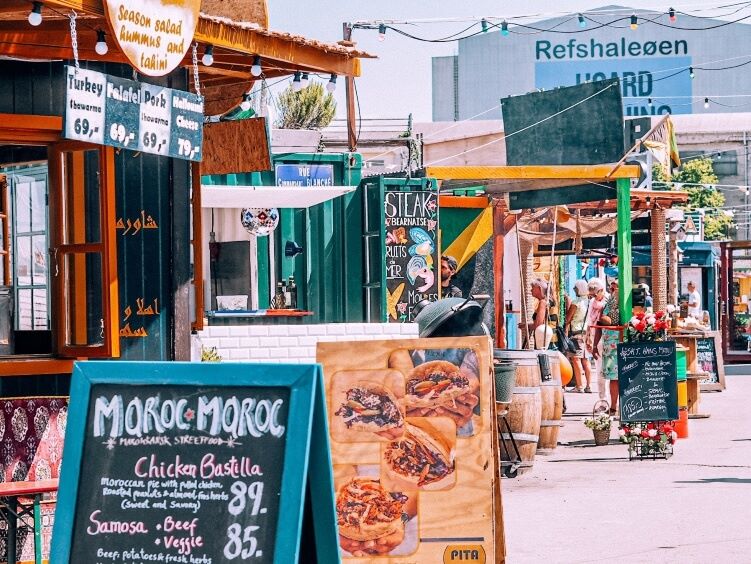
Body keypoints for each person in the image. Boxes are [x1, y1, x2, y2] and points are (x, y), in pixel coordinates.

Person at [592, 280, 621, 416]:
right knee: (613, 378)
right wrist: (594, 345)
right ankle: (614, 407)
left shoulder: (626, 304)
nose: (613, 291)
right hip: (609, 346)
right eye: (611, 289)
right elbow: (599, 324)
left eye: (615, 289)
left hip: (621, 344)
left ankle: (624, 407)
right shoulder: (607, 305)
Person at [565, 280, 592, 393]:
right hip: (587, 333)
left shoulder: (576, 303)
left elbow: (568, 318)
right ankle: (588, 386)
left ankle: (579, 386)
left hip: (576, 334)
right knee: (586, 360)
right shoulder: (589, 302)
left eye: (575, 288)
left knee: (576, 359)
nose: (574, 290)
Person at [585, 278, 608, 400]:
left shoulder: (608, 301)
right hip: (595, 338)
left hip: (608, 338)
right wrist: (588, 338)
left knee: (610, 372)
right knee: (599, 371)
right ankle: (602, 400)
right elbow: (589, 320)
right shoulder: (592, 303)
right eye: (590, 295)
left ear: (601, 290)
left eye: (594, 294)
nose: (593, 297)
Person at [520, 278, 555, 349]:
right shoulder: (550, 301)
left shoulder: (543, 302)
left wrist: (527, 326)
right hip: (550, 339)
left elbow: (538, 325)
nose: (531, 290)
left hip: (544, 340)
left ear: (539, 288)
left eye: (533, 287)